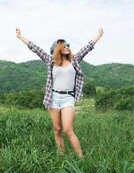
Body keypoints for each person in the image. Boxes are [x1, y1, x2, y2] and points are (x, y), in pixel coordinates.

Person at [16, 27, 104, 158]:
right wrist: (20, 37)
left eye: (68, 45)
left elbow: (88, 47)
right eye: (65, 45)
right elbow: (34, 48)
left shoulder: (74, 60)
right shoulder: (50, 61)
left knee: (68, 129)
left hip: (68, 98)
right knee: (57, 129)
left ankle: (82, 158)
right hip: (53, 98)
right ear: (58, 48)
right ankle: (61, 155)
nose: (68, 47)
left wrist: (99, 35)